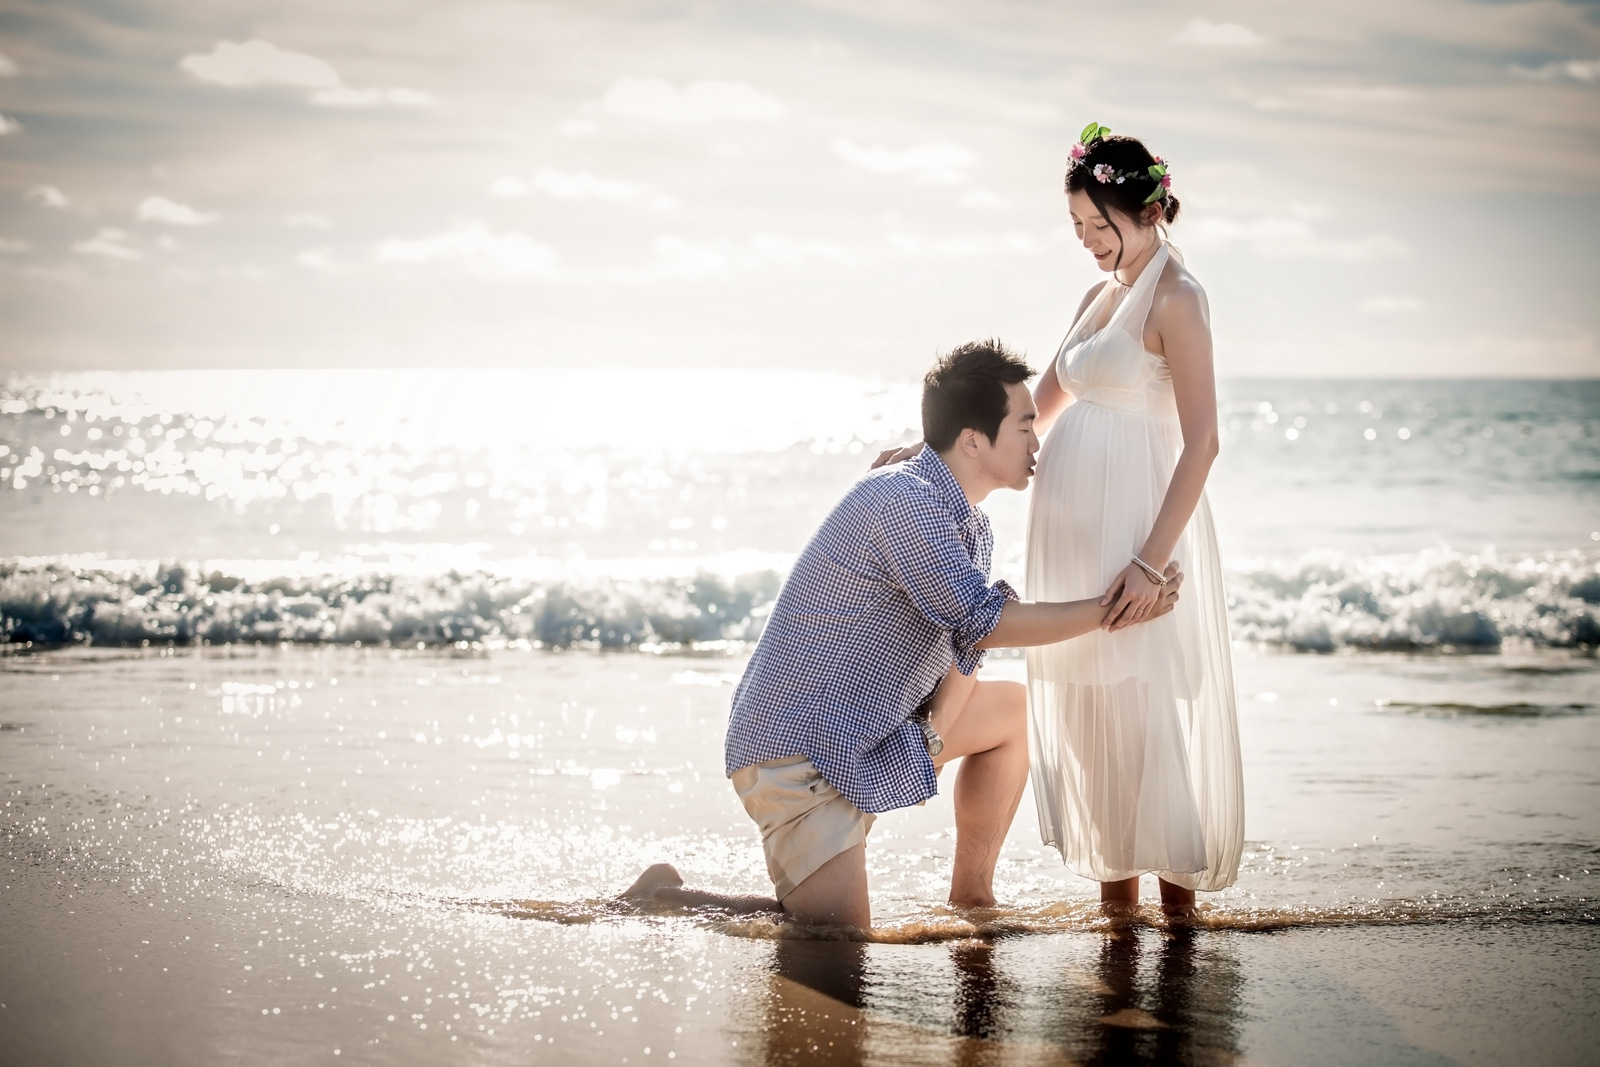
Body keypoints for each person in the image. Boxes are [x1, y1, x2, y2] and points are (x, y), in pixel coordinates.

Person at [622, 340, 1183, 928]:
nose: (1037, 441)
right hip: (797, 754)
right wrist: (1114, 607)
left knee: (1014, 713)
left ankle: (972, 898)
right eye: (1023, 427)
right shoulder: (903, 501)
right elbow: (983, 621)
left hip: (863, 733)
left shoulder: (970, 524)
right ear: (973, 440)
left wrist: (933, 739)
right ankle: (663, 899)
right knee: (837, 939)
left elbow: (967, 651)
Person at [1025, 123, 1243, 914]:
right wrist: (942, 441)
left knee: (1145, 729)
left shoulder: (1178, 299)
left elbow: (1205, 439)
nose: (1086, 241)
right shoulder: (1097, 296)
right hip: (1074, 543)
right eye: (1077, 228)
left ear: (1143, 209)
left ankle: (1180, 935)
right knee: (1091, 730)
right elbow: (1039, 408)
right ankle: (1118, 922)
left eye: (1097, 225)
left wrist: (1152, 560)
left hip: (1136, 537)